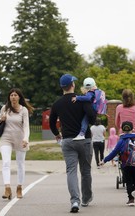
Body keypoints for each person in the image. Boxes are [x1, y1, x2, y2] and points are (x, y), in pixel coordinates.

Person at [49, 74, 97, 213]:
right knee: (86, 170)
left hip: (68, 140)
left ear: (62, 87)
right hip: (85, 140)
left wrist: (57, 134)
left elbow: (52, 123)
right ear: (73, 85)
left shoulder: (57, 103)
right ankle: (86, 199)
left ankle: (75, 201)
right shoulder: (83, 100)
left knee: (71, 171)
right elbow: (93, 119)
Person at [100, 121, 135, 206]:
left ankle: (131, 200)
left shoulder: (121, 140)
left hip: (125, 164)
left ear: (122, 130)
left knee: (128, 181)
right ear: (132, 129)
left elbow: (114, 152)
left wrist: (104, 160)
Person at [0, 88, 34, 200]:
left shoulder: (24, 110)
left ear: (19, 97)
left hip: (20, 139)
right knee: (6, 162)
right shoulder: (5, 108)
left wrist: (26, 139)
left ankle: (19, 187)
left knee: (20, 164)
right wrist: (0, 119)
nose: (13, 97)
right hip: (6, 139)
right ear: (9, 97)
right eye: (11, 95)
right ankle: (7, 188)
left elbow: (26, 126)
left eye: (15, 95)